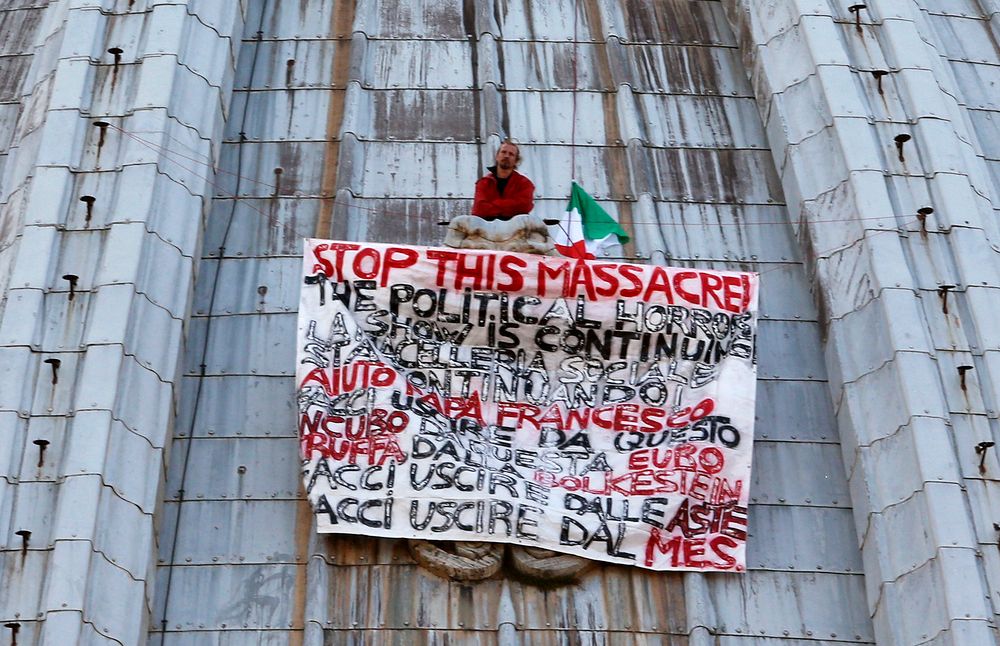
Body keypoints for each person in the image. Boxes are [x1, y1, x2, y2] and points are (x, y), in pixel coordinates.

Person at [471, 140, 535, 220]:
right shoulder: (484, 183)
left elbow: (524, 206)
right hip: (488, 227)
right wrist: (510, 206)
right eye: (503, 152)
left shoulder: (524, 184)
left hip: (516, 227)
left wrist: (493, 204)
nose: (506, 156)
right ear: (497, 156)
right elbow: (479, 209)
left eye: (511, 154)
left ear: (516, 161)